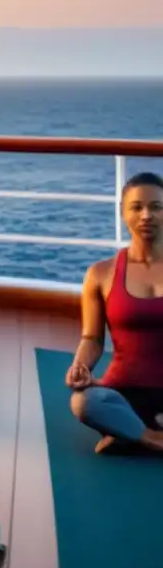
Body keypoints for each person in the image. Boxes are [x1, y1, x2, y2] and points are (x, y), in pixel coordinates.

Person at [67, 171, 163, 454]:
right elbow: (92, 338)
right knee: (85, 403)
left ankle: (127, 432)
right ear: (123, 213)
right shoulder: (101, 274)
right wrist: (80, 367)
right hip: (123, 391)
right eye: (137, 207)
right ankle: (151, 436)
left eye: (156, 207)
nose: (146, 215)